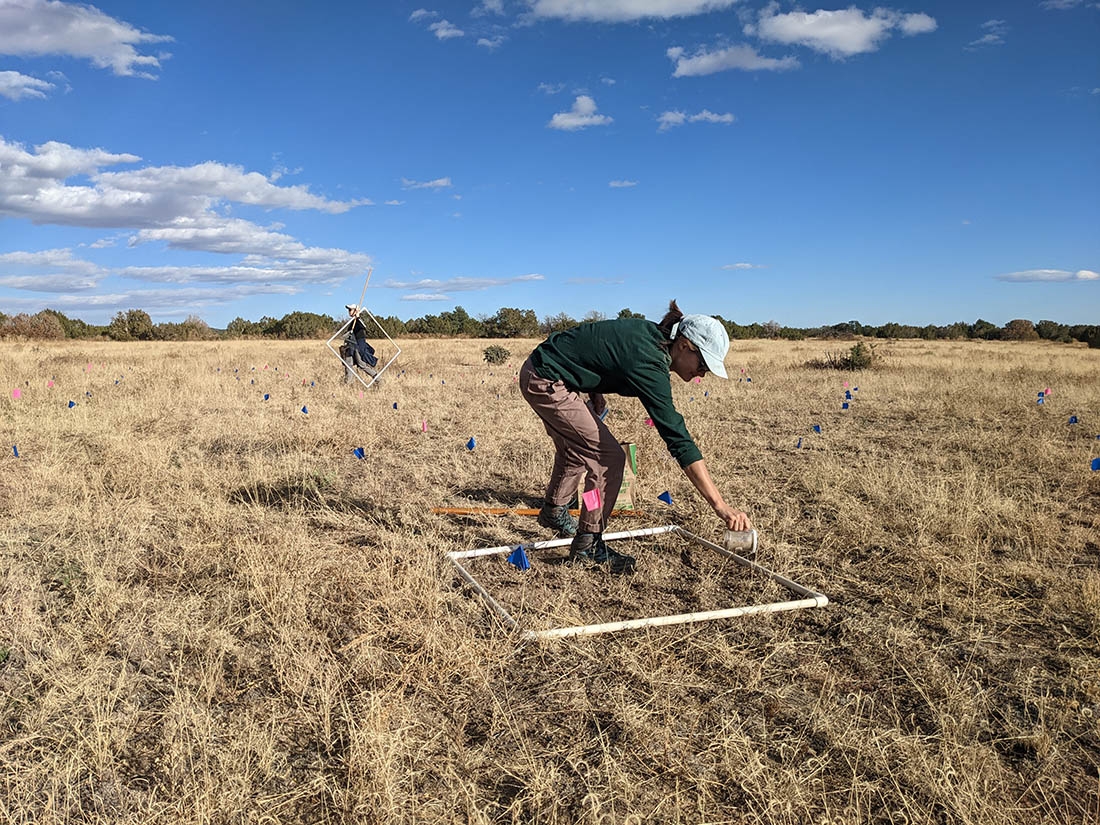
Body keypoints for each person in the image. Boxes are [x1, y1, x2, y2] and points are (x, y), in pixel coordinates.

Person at [519, 300, 753, 572]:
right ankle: (588, 544)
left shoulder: (650, 338)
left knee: (577, 450)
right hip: (546, 379)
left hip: (545, 370)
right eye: (703, 364)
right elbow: (677, 437)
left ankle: (555, 510)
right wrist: (721, 506)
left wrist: (594, 389)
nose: (703, 373)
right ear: (685, 345)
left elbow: (598, 349)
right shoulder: (650, 360)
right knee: (607, 458)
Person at [340, 304, 380, 385]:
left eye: (350, 310)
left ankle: (378, 379)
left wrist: (357, 317)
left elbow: (362, 327)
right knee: (348, 365)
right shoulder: (352, 322)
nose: (349, 311)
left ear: (355, 311)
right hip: (350, 346)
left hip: (357, 347)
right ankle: (347, 384)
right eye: (348, 310)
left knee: (362, 365)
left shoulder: (358, 321)